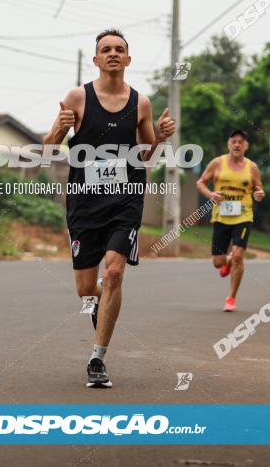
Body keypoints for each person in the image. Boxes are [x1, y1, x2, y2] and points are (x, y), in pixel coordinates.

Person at [43, 28, 175, 388]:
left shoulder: (141, 104)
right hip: (85, 201)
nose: (113, 54)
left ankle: (97, 358)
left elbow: (145, 155)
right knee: (87, 289)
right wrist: (61, 129)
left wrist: (159, 138)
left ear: (128, 60)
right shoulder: (77, 97)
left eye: (120, 49)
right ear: (96, 59)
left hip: (126, 198)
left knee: (114, 273)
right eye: (106, 49)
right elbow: (49, 148)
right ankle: (106, 308)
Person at [195, 129, 266, 311]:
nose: (237, 144)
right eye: (233, 141)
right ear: (228, 144)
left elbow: (259, 190)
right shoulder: (218, 163)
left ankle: (231, 298)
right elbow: (200, 182)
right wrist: (210, 194)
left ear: (246, 146)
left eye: (241, 142)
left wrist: (259, 194)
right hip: (221, 217)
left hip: (243, 216)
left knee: (238, 256)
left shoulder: (252, 168)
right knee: (217, 262)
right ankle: (226, 261)